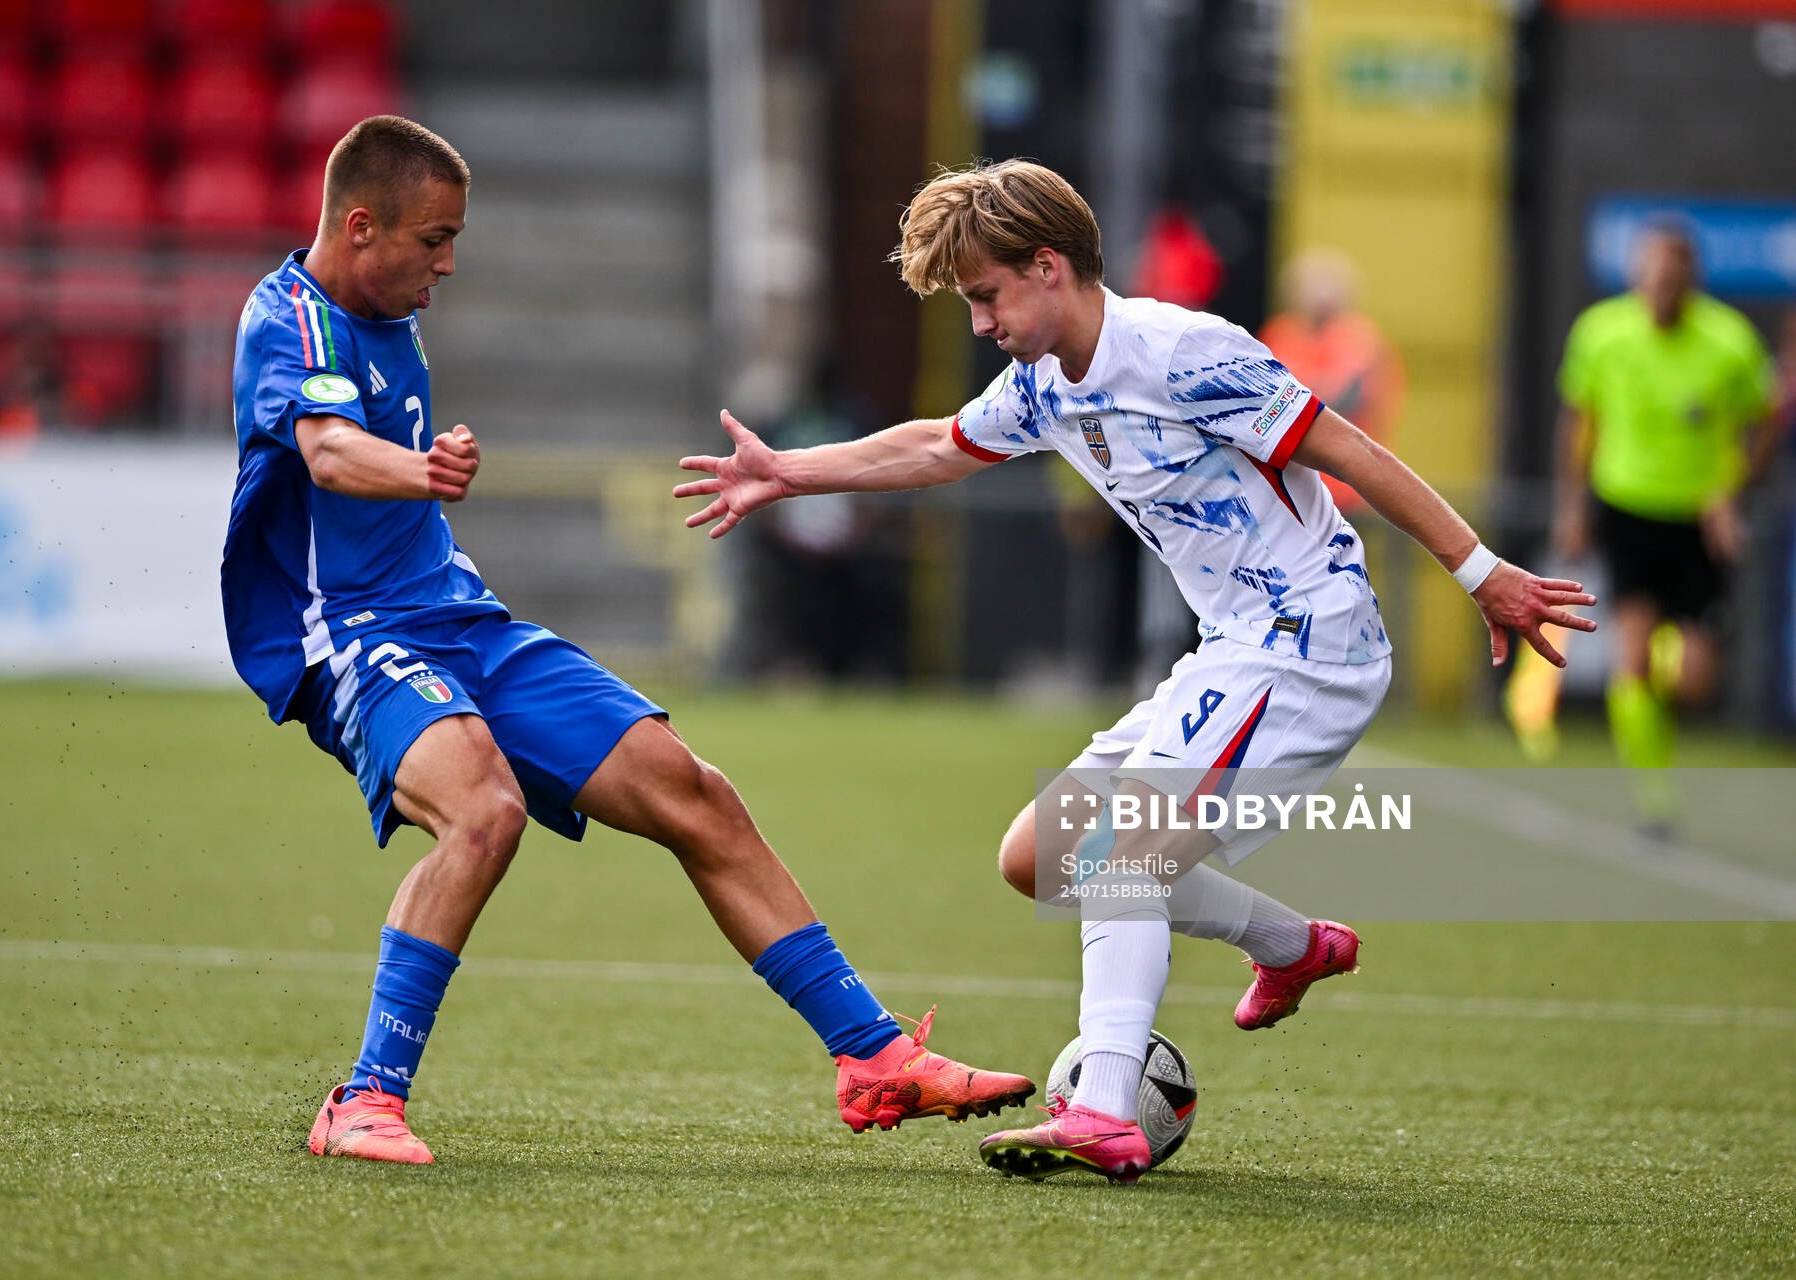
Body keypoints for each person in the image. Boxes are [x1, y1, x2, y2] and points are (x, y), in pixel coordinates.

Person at [675, 160, 1592, 1184]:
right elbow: (940, 444)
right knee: (1039, 854)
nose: (979, 322)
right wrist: (791, 471)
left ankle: (1105, 1105)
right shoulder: (1041, 383)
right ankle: (1291, 945)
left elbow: (1355, 453)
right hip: (1230, 645)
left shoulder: (1185, 353)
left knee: (1123, 851)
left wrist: (1482, 574)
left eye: (985, 295)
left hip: (1305, 642)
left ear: (1048, 265)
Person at [221, 117, 1033, 1165]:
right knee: (483, 809)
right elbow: (328, 452)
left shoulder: (388, 307)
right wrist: (419, 468)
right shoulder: (289, 317)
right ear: (360, 223)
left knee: (692, 788)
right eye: (434, 240)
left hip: (462, 621)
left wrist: (424, 464)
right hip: (352, 637)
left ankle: (872, 1057)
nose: (449, 263)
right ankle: (364, 1097)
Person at [1551, 222, 1781, 826]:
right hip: (1626, 507)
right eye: (1650, 282)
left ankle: (1667, 683)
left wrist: (1731, 493)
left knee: (1696, 681)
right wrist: (1573, 508)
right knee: (1631, 659)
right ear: (1636, 279)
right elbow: (1581, 421)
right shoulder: (1601, 333)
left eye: (1672, 284)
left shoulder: (1729, 343)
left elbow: (1768, 416)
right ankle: (1654, 797)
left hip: (1697, 520)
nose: (1660, 295)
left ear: (1689, 284)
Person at [1257, 248, 1406, 514]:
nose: (1321, 297)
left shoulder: (1358, 337)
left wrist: (1297, 391)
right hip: (1286, 479)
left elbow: (1337, 401)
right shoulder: (1280, 333)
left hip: (1347, 479)